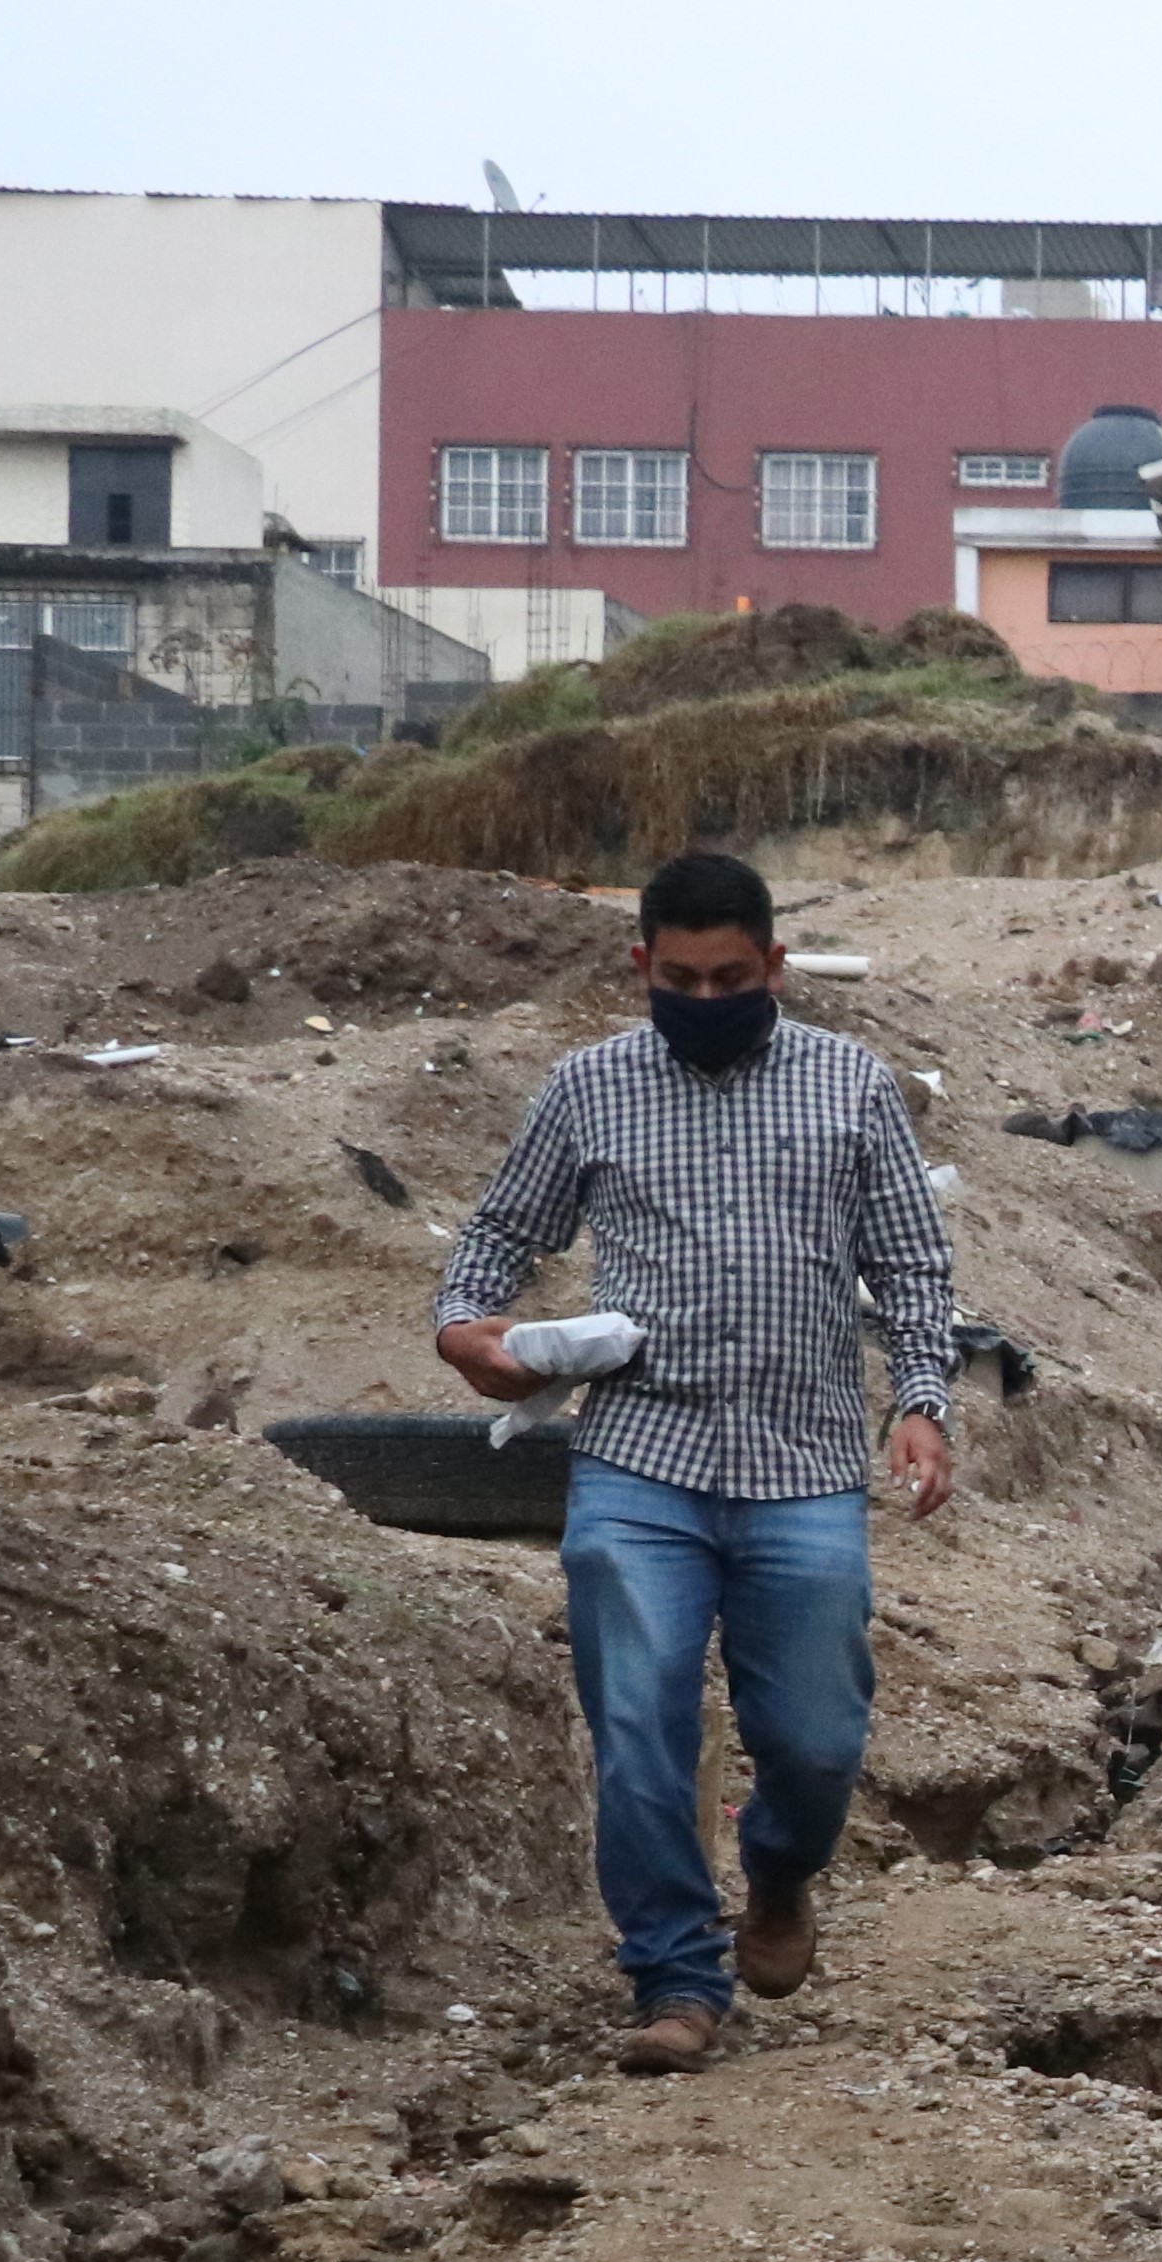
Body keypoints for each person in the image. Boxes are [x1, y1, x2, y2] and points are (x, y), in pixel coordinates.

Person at [434, 849, 958, 2074]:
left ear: (776, 966)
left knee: (820, 1735)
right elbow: (491, 1247)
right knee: (637, 1721)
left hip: (806, 1461)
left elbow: (913, 1266)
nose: (709, 998)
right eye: (682, 978)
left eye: (734, 977)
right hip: (639, 1456)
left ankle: (777, 1871)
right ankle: (673, 1977)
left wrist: (921, 1403)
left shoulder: (851, 1086)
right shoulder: (587, 1091)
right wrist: (473, 1340)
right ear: (642, 969)